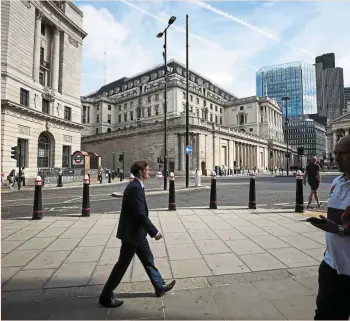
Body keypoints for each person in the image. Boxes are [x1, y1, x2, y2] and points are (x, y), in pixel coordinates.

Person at [99, 160, 176, 308]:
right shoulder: (135, 188)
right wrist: (154, 231)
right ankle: (105, 296)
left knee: (148, 260)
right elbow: (140, 214)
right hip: (132, 234)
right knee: (122, 265)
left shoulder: (136, 186)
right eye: (147, 170)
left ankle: (159, 286)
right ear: (140, 172)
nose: (149, 172)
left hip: (137, 233)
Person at [308, 135, 350, 320]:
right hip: (332, 267)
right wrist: (330, 225)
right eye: (335, 154)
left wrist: (338, 229)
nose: (337, 158)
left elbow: (340, 227)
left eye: (343, 153)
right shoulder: (336, 183)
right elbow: (338, 221)